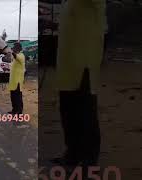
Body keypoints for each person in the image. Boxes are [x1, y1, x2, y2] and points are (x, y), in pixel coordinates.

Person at [53, 0, 106, 167]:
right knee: (68, 110)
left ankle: (89, 160)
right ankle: (72, 154)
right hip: (67, 63)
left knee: (85, 111)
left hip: (84, 62)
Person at [8, 42, 25, 114]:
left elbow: (16, 57)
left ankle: (19, 111)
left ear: (18, 48)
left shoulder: (21, 55)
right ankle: (14, 110)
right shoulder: (14, 58)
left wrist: (11, 52)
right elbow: (12, 66)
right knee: (13, 96)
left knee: (18, 97)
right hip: (12, 81)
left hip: (18, 81)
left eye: (14, 47)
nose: (13, 48)